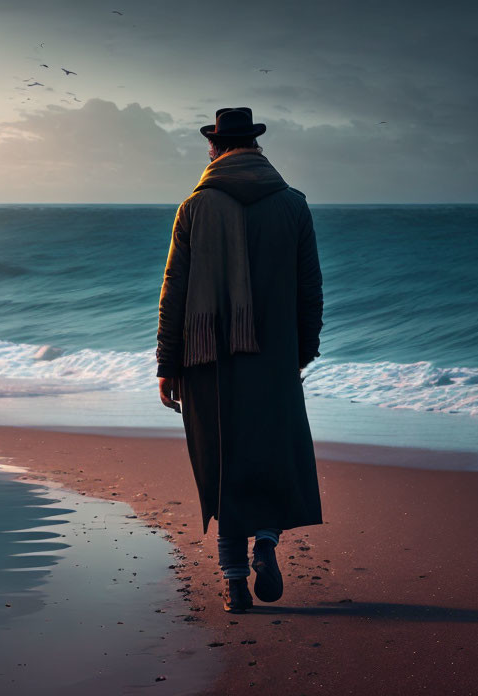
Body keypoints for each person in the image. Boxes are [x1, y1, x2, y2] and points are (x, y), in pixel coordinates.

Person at [156, 107, 324, 614]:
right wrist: (301, 352)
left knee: (222, 465)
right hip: (273, 358)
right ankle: (266, 544)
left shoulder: (194, 206)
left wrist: (167, 362)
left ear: (215, 148)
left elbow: (175, 291)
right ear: (255, 146)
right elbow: (309, 288)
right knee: (271, 457)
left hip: (208, 359)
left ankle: (233, 584)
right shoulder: (293, 205)